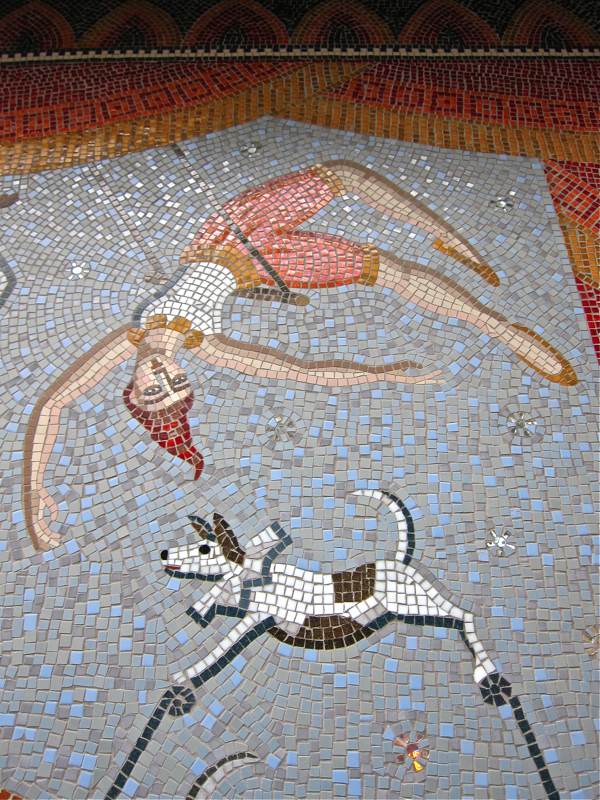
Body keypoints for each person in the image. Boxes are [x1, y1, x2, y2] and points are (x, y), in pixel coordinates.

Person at [23, 160, 576, 550]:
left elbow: (53, 404)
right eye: (176, 385)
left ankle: (444, 234)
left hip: (225, 232)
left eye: (153, 388)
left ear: (132, 389)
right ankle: (504, 330)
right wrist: (380, 373)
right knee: (388, 270)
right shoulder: (207, 344)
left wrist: (33, 487)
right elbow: (302, 371)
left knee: (344, 174)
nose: (164, 375)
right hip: (267, 264)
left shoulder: (125, 340)